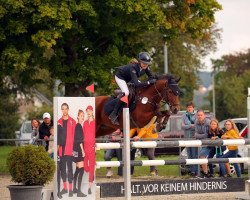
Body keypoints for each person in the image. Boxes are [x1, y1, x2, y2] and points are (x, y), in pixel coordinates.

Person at [109, 52, 156, 125]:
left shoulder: (146, 67)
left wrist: (154, 80)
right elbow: (136, 84)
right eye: (143, 63)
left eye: (147, 63)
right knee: (126, 93)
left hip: (130, 78)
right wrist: (148, 83)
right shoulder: (133, 68)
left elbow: (152, 77)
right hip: (120, 77)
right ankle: (113, 114)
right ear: (139, 62)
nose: (145, 65)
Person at [57, 103, 76, 197]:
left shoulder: (73, 121)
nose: (64, 111)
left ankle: (71, 189)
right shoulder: (58, 121)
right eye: (63, 109)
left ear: (68, 109)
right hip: (61, 149)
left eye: (66, 109)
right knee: (62, 170)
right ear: (61, 110)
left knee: (70, 169)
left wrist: (74, 149)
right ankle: (65, 188)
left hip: (69, 149)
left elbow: (75, 136)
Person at [181, 102, 198, 178]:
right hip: (187, 138)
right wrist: (191, 125)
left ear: (193, 108)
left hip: (194, 138)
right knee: (189, 155)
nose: (189, 108)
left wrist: (187, 126)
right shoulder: (184, 115)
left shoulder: (197, 115)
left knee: (195, 155)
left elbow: (196, 126)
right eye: (188, 107)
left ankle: (196, 171)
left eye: (190, 107)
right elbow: (182, 126)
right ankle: (192, 171)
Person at [72, 109, 87, 197]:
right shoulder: (78, 126)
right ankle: (79, 192)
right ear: (78, 116)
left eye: (83, 116)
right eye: (81, 116)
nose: (82, 117)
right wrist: (83, 150)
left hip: (75, 150)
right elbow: (79, 140)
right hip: (79, 150)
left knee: (78, 169)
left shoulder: (77, 126)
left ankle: (74, 189)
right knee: (81, 170)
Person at [194, 109, 211, 178]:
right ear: (196, 116)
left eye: (201, 115)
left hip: (209, 143)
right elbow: (195, 134)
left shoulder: (208, 122)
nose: (200, 116)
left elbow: (207, 135)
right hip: (202, 143)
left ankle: (206, 173)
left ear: (204, 115)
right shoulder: (196, 122)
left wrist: (199, 135)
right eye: (198, 115)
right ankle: (205, 172)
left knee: (202, 156)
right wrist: (201, 135)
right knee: (201, 156)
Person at [83, 105, 96, 195]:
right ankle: (90, 177)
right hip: (85, 146)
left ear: (92, 111)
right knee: (85, 166)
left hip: (92, 146)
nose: (88, 112)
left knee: (91, 165)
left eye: (89, 110)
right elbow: (83, 134)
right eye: (87, 111)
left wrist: (94, 146)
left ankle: (90, 185)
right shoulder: (85, 123)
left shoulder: (95, 122)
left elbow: (96, 134)